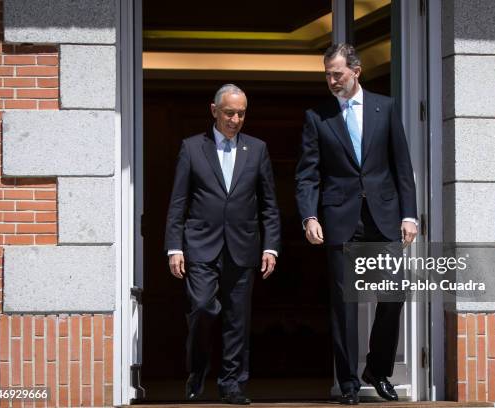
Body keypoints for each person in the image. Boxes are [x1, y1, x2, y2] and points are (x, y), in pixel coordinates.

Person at [295, 43, 418, 405]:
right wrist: (309, 215)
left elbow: (401, 166)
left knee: (395, 293)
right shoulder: (317, 117)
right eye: (328, 75)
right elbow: (307, 174)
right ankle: (348, 384)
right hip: (340, 218)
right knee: (344, 306)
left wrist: (409, 215)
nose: (332, 81)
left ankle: (377, 370)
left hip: (384, 217)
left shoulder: (386, 107)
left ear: (356, 71)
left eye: (338, 74)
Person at [165, 84, 281, 405]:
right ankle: (198, 368)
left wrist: (271, 246)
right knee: (202, 307)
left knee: (237, 320)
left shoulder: (257, 149)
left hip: (243, 246)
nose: (235, 119)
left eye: (241, 113)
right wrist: (174, 247)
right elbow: (178, 201)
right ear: (214, 110)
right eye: (229, 112)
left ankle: (232, 384)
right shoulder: (191, 148)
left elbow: (269, 203)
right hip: (201, 245)